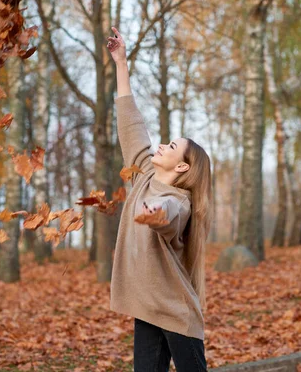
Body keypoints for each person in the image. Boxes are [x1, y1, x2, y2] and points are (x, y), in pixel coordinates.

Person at [107, 26, 212, 372]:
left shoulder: (179, 202)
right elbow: (131, 123)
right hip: (147, 308)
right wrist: (121, 63)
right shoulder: (143, 175)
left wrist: (155, 214)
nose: (161, 145)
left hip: (177, 314)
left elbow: (169, 215)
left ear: (182, 166)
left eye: (171, 146)